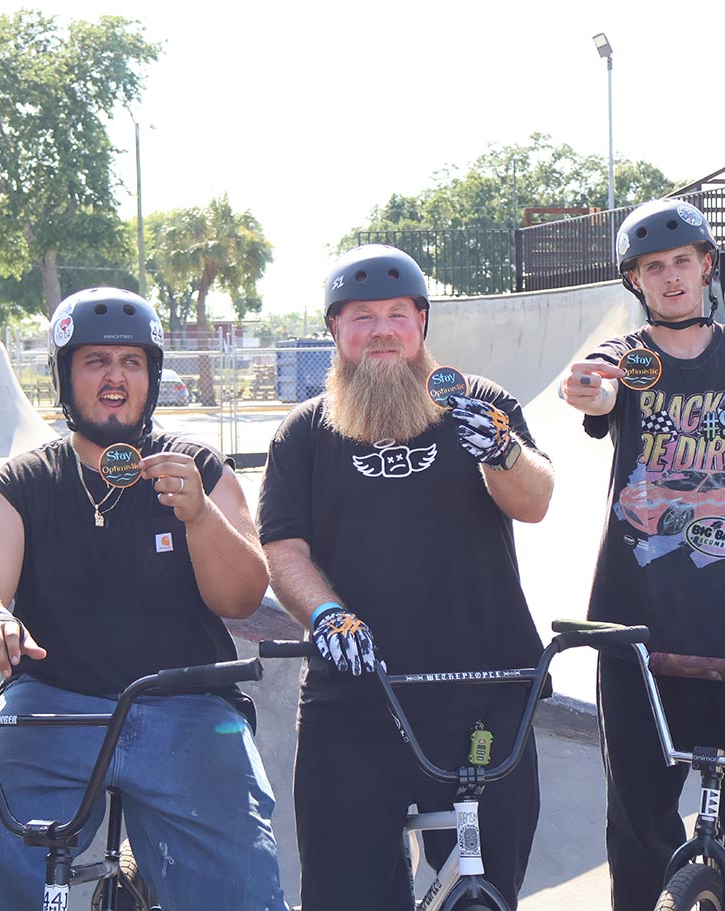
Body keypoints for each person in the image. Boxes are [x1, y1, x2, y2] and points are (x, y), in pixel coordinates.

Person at [0, 287, 286, 911]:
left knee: (241, 888)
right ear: (66, 378)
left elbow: (242, 594)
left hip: (189, 704)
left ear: (151, 376)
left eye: (131, 362)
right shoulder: (27, 478)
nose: (115, 377)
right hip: (51, 704)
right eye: (95, 361)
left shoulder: (198, 467)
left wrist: (199, 516)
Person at [257, 245, 555, 911]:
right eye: (362, 317)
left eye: (399, 313)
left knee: (487, 897)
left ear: (422, 324)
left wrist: (503, 451)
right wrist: (328, 615)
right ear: (335, 330)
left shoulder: (481, 404)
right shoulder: (303, 434)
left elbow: (535, 499)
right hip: (355, 700)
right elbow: (282, 549)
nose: (383, 330)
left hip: (485, 694)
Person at [560, 198, 725, 910]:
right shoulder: (629, 360)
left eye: (683, 261)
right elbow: (592, 387)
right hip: (640, 641)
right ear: (636, 280)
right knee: (641, 836)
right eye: (655, 267)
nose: (672, 277)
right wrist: (586, 388)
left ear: (707, 265)